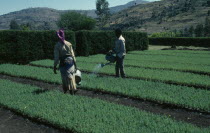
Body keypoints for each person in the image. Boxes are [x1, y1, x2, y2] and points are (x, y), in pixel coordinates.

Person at [53, 29, 77, 95]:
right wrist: (75, 64)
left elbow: (56, 57)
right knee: (71, 75)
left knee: (64, 77)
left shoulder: (57, 45)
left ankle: (66, 90)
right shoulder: (69, 44)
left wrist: (55, 66)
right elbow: (73, 55)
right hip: (70, 61)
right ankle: (73, 89)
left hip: (62, 61)